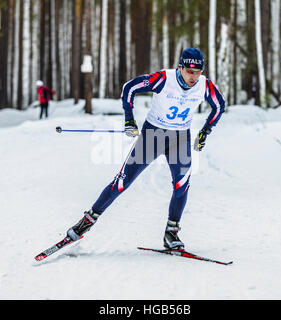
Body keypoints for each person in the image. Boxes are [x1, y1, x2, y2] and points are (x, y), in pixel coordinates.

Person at [65, 48, 226, 250]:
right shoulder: (163, 79)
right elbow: (129, 88)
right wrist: (129, 119)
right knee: (123, 181)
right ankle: (87, 221)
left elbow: (220, 106)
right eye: (189, 71)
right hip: (153, 135)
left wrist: (205, 132)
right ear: (180, 67)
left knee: (182, 184)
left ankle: (171, 232)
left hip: (180, 138)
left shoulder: (205, 86)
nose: (193, 76)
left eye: (197, 71)